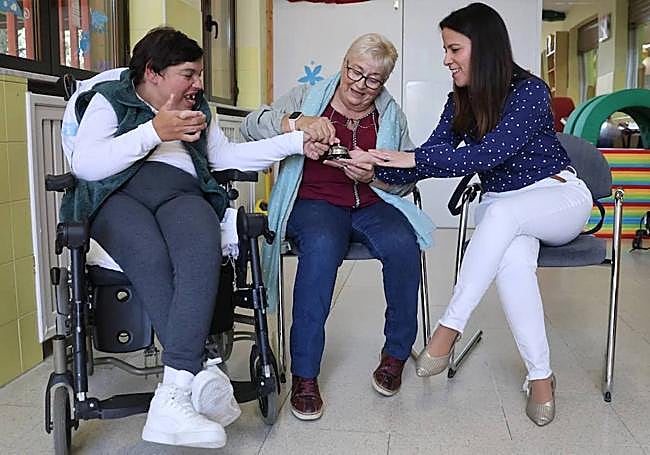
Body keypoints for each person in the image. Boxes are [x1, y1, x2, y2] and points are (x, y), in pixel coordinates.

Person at [59, 27, 323, 448]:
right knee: (150, 255)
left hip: (181, 192)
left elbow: (227, 156)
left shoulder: (199, 108)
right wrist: (154, 131)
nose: (199, 84)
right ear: (153, 72)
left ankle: (173, 393)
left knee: (201, 247)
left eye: (199, 74)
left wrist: (295, 141)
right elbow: (87, 165)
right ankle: (198, 372)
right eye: (189, 74)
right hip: (116, 195)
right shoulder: (112, 99)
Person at [356, 3, 593, 426]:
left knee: (500, 217)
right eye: (445, 50)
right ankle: (541, 377)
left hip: (557, 198)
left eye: (454, 49)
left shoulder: (530, 92)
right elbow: (431, 154)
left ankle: (448, 330)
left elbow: (487, 154)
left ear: (483, 48)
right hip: (506, 210)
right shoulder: (459, 101)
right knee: (513, 263)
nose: (446, 60)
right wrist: (375, 165)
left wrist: (413, 159)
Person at [240, 33, 434, 421]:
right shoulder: (307, 97)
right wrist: (298, 125)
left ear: (384, 81)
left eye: (373, 79)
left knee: (403, 246)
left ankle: (395, 354)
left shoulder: (390, 113)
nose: (360, 85)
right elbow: (250, 126)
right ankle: (305, 374)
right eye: (354, 72)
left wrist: (374, 175)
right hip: (314, 204)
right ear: (344, 63)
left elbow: (407, 176)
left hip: (371, 203)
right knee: (322, 248)